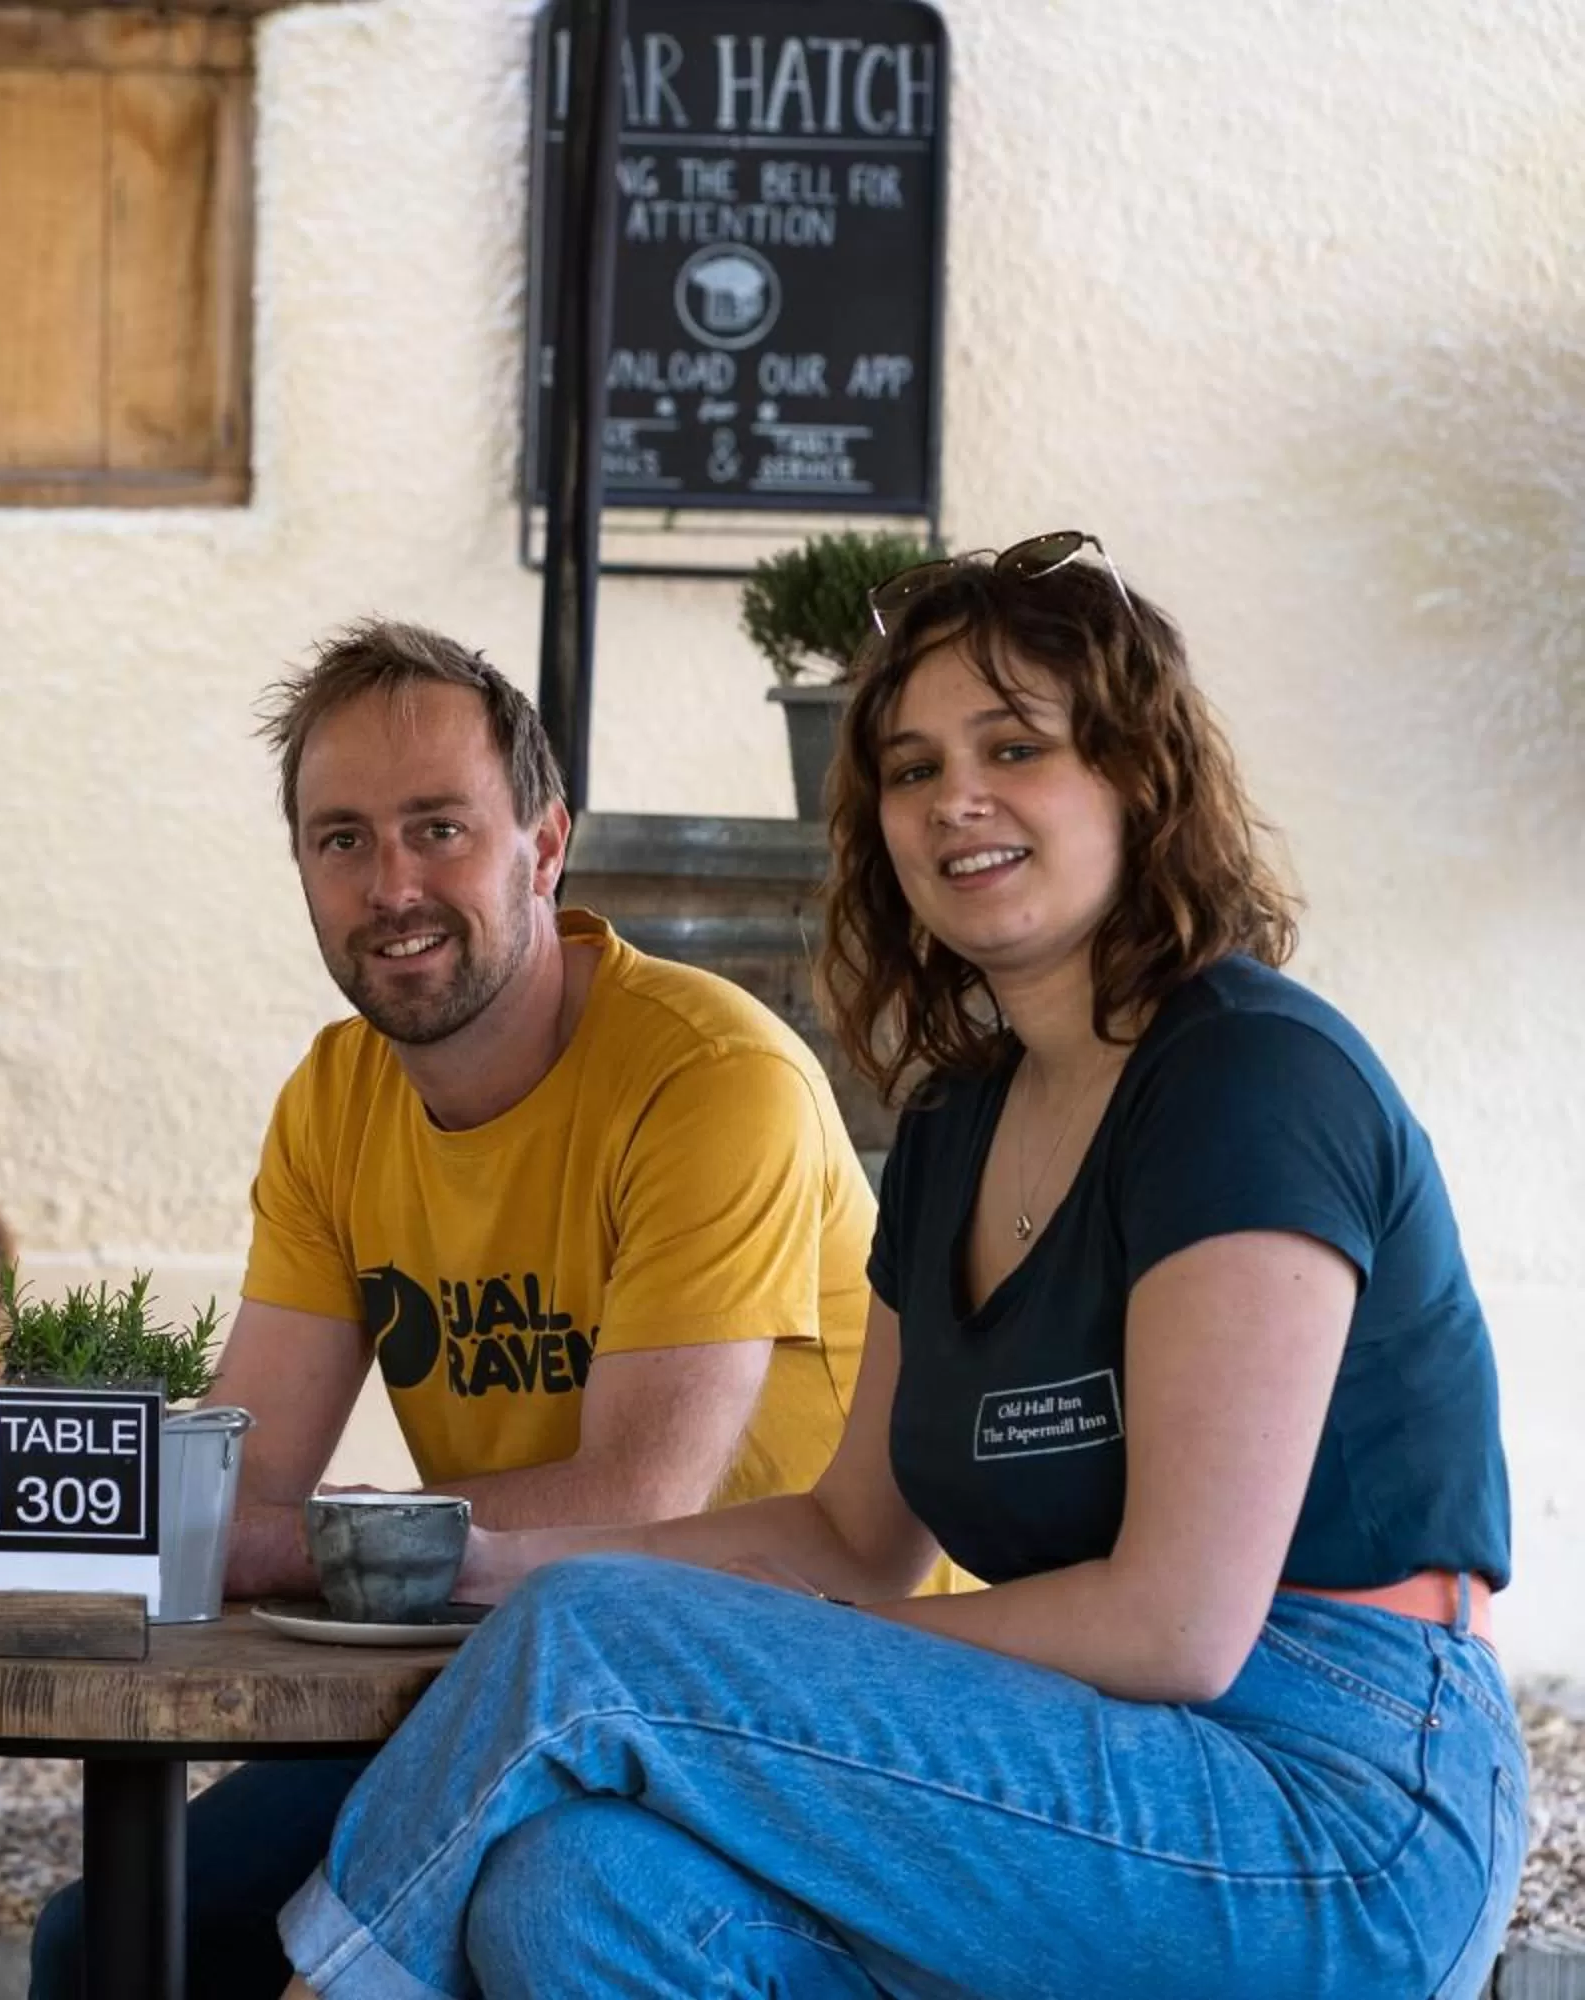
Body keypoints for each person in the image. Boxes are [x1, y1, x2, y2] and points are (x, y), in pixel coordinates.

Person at [277, 535, 1526, 2000]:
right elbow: (845, 1537)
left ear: (1138, 777)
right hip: (1089, 1767)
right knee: (577, 1893)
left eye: (1015, 748)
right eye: (913, 768)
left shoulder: (1249, 1079)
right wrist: (486, 1564)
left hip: (1338, 1795)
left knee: (598, 1637)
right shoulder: (954, 1125)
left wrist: (775, 1663)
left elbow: (1177, 1627)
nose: (955, 800)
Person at [0, 619, 891, 1998]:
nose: (392, 886)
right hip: (496, 1675)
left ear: (545, 846)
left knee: (431, 1936)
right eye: (342, 840)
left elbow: (638, 1500)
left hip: (773, 1709)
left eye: (438, 829)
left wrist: (266, 1541)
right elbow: (251, 1475)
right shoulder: (338, 1097)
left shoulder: (707, 1077)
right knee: (103, 1945)